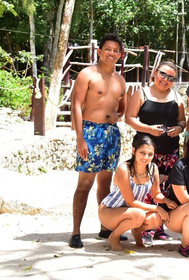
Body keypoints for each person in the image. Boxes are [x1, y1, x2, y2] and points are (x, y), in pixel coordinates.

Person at [69, 33, 127, 249]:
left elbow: (121, 108)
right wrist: (80, 137)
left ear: (120, 55)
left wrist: (110, 120)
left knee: (105, 184)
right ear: (100, 51)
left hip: (111, 133)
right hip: (90, 132)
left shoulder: (120, 79)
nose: (111, 53)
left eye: (116, 50)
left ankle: (105, 227)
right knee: (85, 184)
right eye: (108, 49)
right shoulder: (87, 74)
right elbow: (76, 105)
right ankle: (76, 232)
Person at [126, 60, 186, 244]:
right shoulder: (141, 93)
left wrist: (178, 128)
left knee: (166, 191)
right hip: (146, 153)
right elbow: (129, 118)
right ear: (154, 73)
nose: (165, 79)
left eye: (170, 77)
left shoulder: (177, 98)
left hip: (170, 153)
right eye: (162, 74)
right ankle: (144, 227)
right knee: (146, 190)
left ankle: (159, 227)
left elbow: (183, 121)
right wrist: (149, 129)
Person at [98, 136, 178, 251]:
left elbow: (156, 194)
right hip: (109, 212)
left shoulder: (153, 168)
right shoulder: (124, 169)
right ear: (134, 151)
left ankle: (137, 231)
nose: (146, 157)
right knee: (139, 214)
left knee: (157, 218)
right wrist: (156, 207)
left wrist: (166, 201)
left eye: (150, 154)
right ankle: (113, 237)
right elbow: (131, 201)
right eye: (142, 153)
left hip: (132, 211)